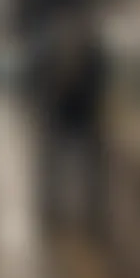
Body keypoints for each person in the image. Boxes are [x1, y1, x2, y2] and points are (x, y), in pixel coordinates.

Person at [36, 21, 108, 235]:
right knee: (86, 168)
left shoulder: (55, 53)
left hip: (64, 116)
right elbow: (99, 86)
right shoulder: (92, 55)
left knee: (58, 166)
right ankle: (90, 211)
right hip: (79, 117)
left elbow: (45, 85)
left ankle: (55, 207)